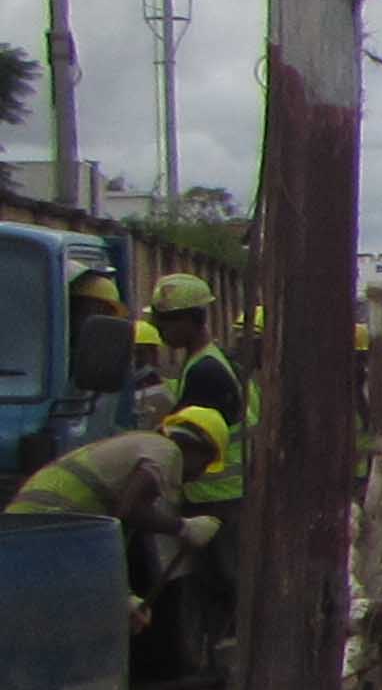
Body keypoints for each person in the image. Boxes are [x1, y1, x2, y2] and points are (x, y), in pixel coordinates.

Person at [9, 407, 228, 623]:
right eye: (205, 463)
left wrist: (123, 597)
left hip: (33, 524)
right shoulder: (166, 451)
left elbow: (113, 538)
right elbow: (130, 511)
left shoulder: (140, 446)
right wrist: (183, 527)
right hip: (50, 524)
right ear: (195, 447)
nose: (199, 474)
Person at [144, 274, 249, 641]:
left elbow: (189, 441)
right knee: (218, 585)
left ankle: (230, 662)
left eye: (167, 321)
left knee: (225, 584)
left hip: (218, 498)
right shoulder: (201, 363)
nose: (161, 330)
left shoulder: (205, 371)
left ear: (193, 320)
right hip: (217, 496)